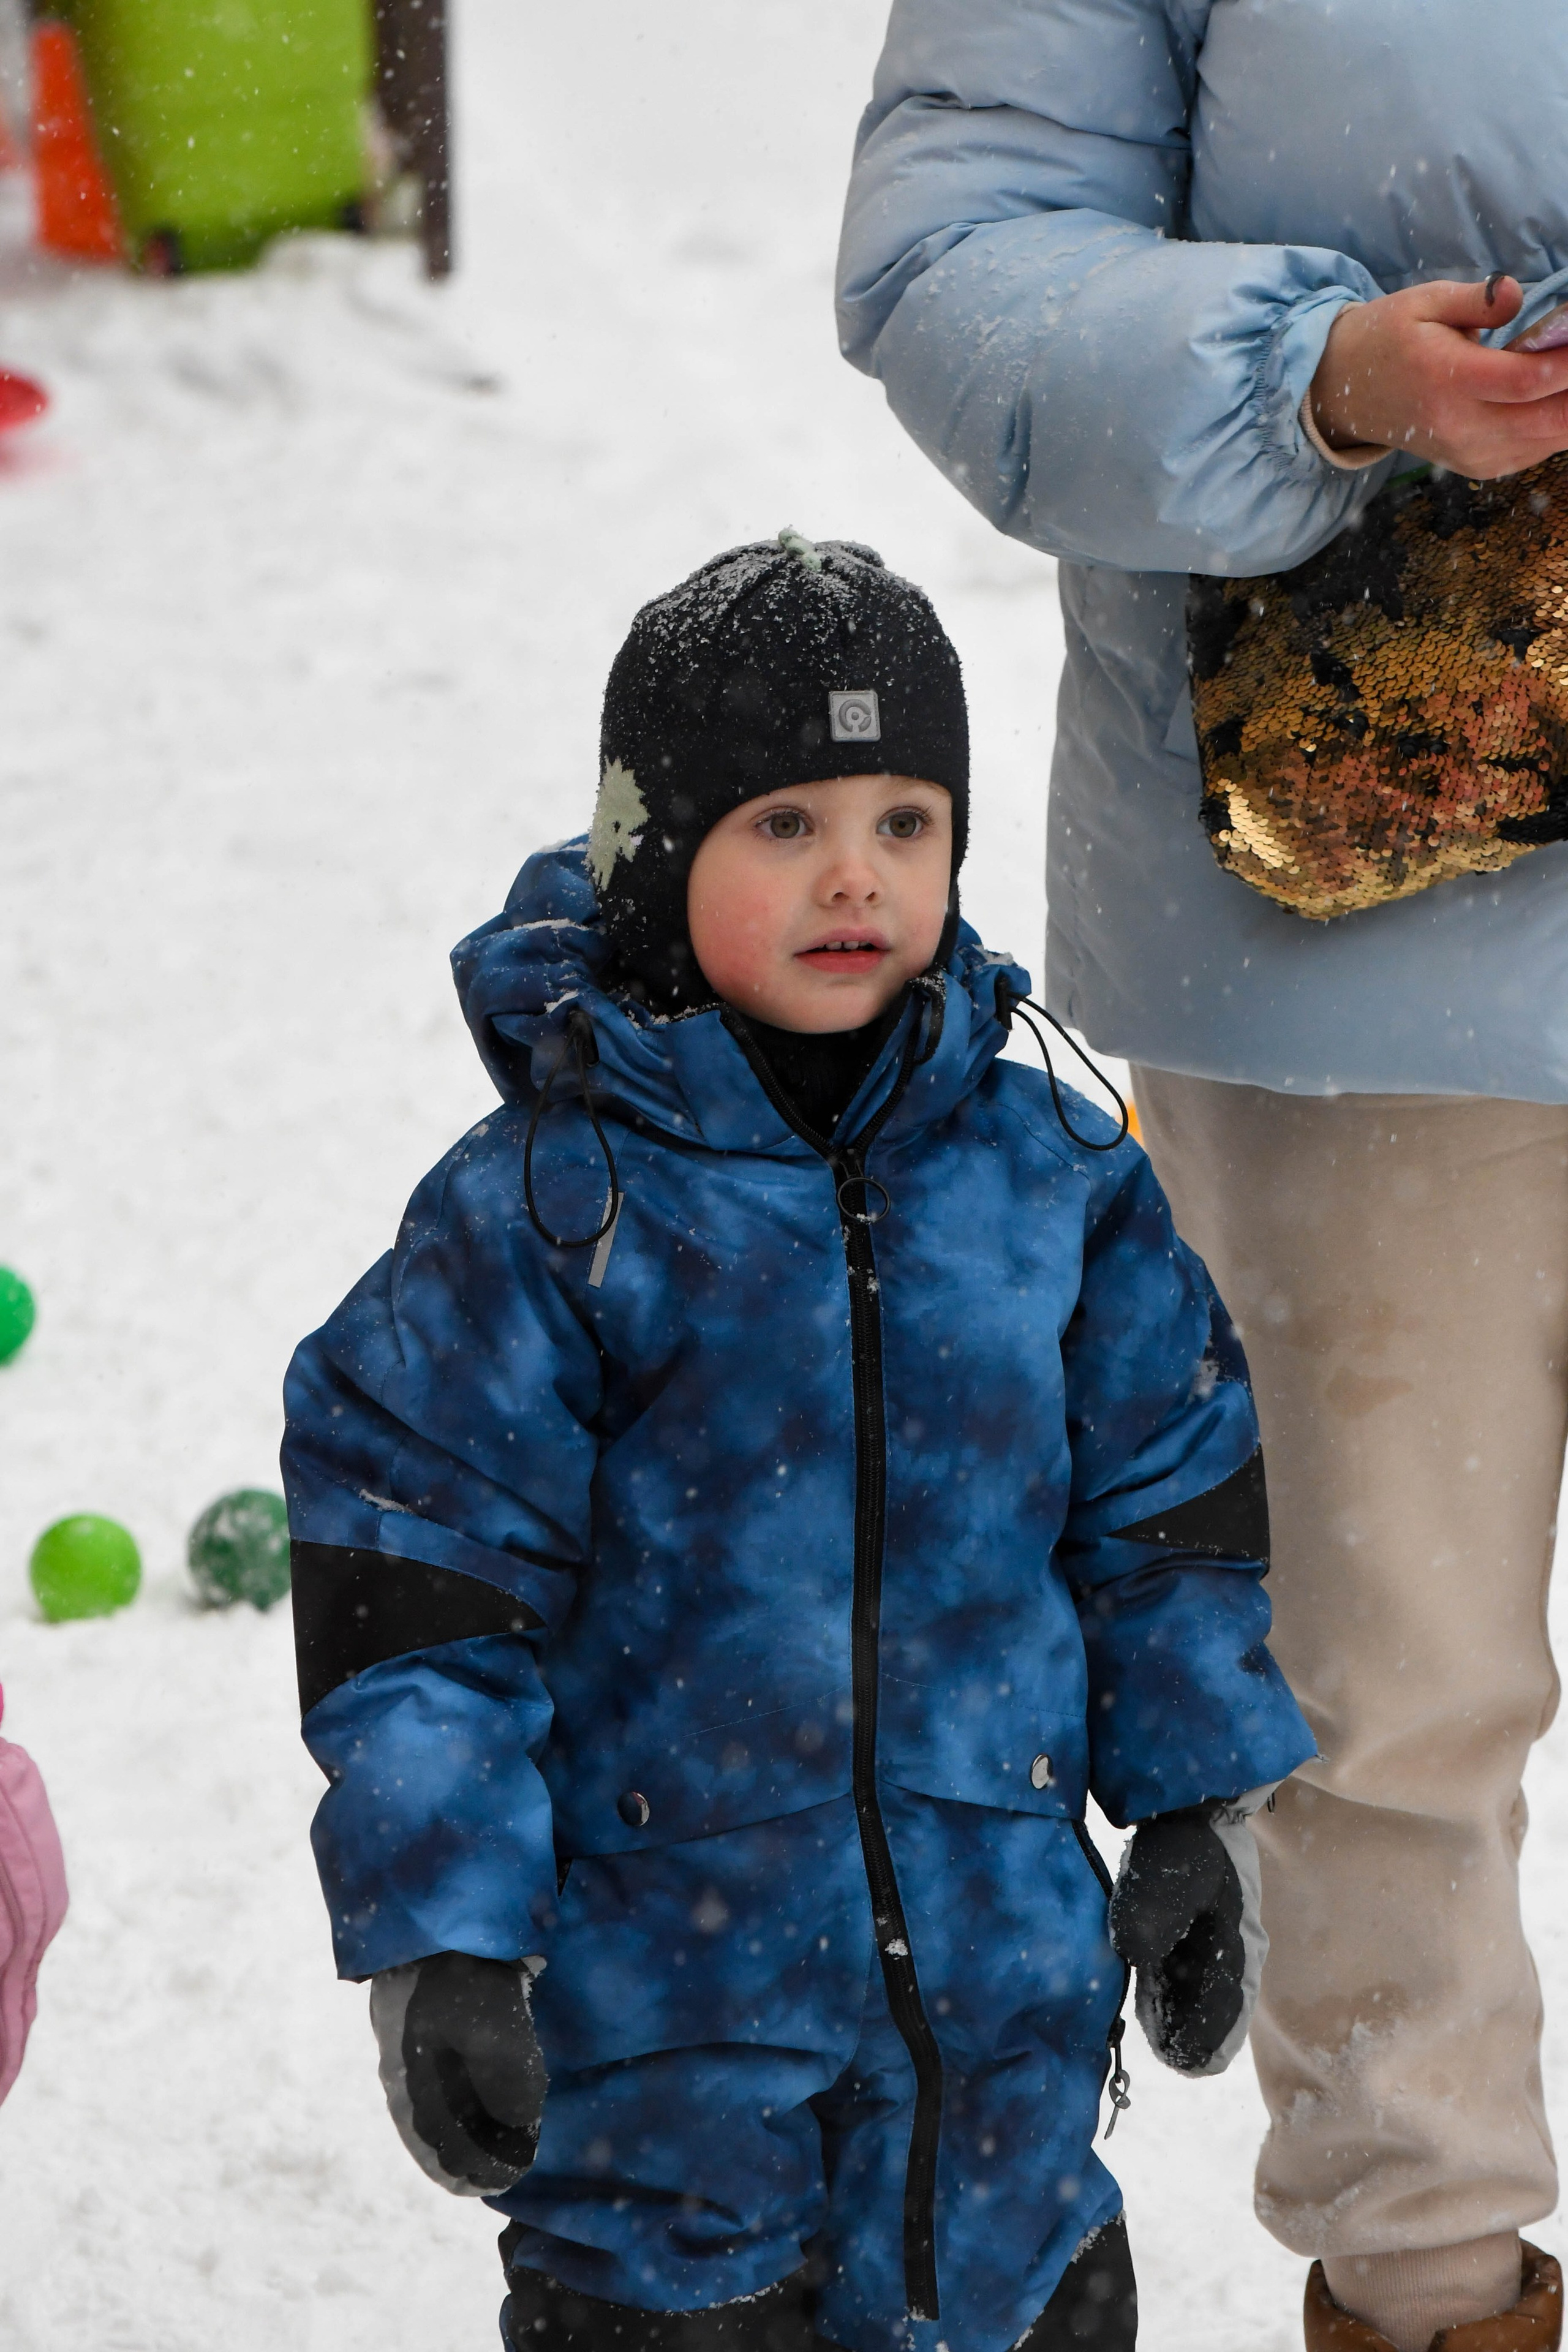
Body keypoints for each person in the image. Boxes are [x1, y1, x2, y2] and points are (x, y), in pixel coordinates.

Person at [281, 534, 1314, 2352]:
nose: (858, 876)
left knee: (1013, 2293)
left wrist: (1192, 1809)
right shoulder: (554, 1208)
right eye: (785, 826)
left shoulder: (1052, 1185)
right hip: (666, 2003)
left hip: (1001, 1997)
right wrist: (446, 1934)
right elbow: (420, 1578)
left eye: (907, 823)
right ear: (655, 855)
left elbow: (1166, 1514)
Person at [835, 13, 1568, 2352]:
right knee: (1374, 1680)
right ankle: (1431, 2288)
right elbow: (959, 248)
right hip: (1351, 935)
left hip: (1349, 925)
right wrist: (1318, 381)